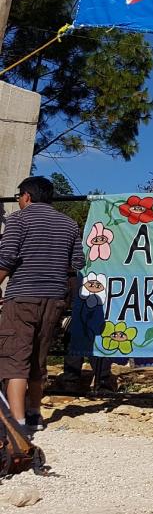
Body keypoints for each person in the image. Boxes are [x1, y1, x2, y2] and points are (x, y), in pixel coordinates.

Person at [0, 176, 85, 433]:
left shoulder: (18, 220)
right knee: (39, 356)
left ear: (26, 195)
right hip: (55, 298)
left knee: (15, 358)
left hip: (22, 297)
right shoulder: (69, 224)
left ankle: (18, 424)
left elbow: (6, 258)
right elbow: (78, 262)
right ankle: (35, 413)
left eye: (18, 197)